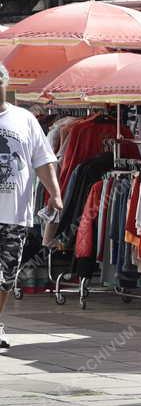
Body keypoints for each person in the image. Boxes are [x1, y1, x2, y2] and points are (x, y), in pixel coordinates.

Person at [0, 66, 63, 350]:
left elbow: (43, 160)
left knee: (6, 276)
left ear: (5, 83)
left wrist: (55, 192)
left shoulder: (24, 119)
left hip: (15, 215)